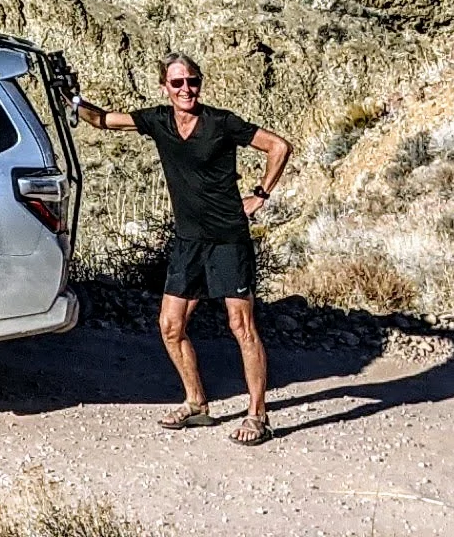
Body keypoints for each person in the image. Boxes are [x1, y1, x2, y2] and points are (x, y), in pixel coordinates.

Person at [75, 52, 293, 444]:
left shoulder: (220, 123)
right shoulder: (158, 120)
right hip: (188, 242)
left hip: (228, 238)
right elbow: (105, 120)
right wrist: (73, 102)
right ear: (165, 88)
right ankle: (196, 404)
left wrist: (260, 194)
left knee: (241, 326)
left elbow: (279, 146)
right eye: (177, 83)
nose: (186, 89)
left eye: (192, 81)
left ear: (200, 83)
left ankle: (257, 415)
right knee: (170, 326)